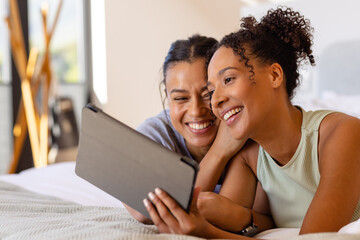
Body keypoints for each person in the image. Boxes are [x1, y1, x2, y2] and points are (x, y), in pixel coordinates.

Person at [143, 7, 360, 238]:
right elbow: (230, 221)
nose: (216, 100)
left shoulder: (342, 133)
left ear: (275, 76)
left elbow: (315, 237)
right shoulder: (249, 154)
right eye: (212, 90)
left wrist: (205, 231)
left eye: (228, 79)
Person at [125, 35, 246, 224]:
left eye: (208, 94)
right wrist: (219, 151)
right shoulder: (154, 134)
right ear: (167, 96)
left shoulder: (246, 131)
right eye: (181, 98)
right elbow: (142, 211)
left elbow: (241, 220)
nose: (196, 111)